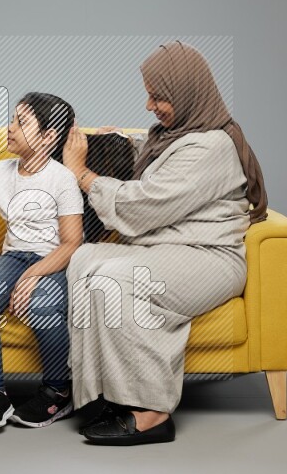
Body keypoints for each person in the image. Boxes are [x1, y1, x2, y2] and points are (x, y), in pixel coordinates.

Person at [62, 41, 269, 446]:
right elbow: (160, 164)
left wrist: (81, 173)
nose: (149, 105)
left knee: (121, 278)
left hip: (208, 257)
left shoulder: (211, 146)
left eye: (159, 97)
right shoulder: (178, 134)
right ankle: (106, 393)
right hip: (171, 248)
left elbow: (143, 207)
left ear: (188, 92)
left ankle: (153, 412)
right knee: (85, 259)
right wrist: (119, 141)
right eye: (149, 94)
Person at [0, 92, 84, 433]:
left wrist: (31, 275)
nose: (10, 128)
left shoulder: (61, 178)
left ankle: (58, 392)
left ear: (48, 137)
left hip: (53, 259)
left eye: (22, 122)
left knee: (44, 303)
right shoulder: (3, 171)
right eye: (13, 119)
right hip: (13, 257)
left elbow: (73, 243)